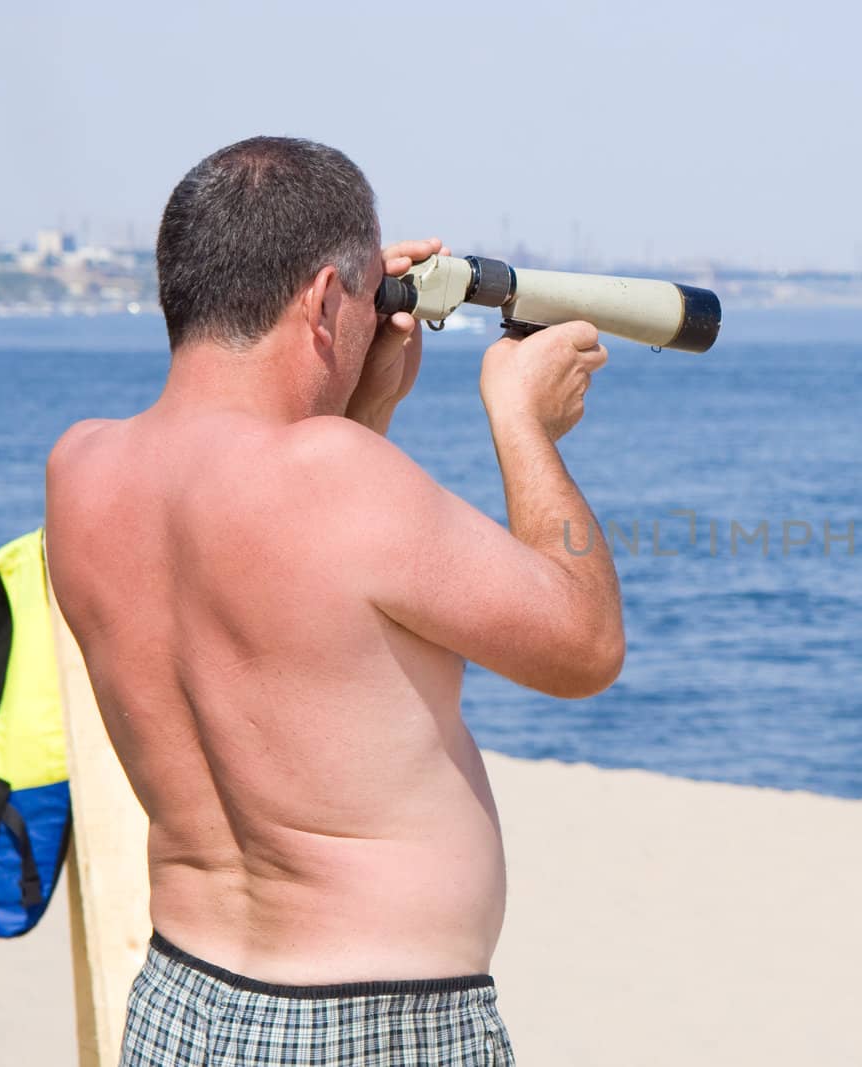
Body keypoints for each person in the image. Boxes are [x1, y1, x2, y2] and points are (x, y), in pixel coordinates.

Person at [44, 136, 623, 1065]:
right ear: (321, 299)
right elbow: (584, 646)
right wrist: (526, 425)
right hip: (373, 1023)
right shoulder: (337, 478)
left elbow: (293, 594)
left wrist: (364, 403)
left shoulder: (80, 471)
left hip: (181, 998)